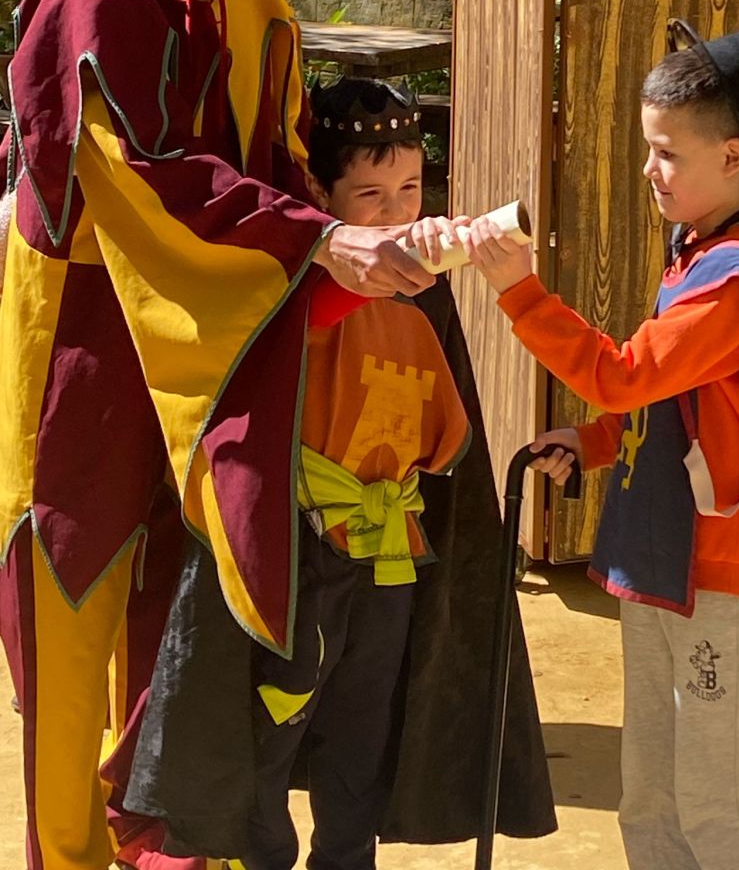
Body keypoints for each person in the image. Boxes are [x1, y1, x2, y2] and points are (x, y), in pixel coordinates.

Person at [0, 0, 439, 870]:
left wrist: (345, 236)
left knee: (193, 591)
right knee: (72, 587)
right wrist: (312, 240)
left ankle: (171, 841)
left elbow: (280, 149)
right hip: (89, 331)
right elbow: (142, 170)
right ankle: (67, 855)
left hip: (225, 320)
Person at [121, 76, 558, 868]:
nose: (396, 213)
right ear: (321, 199)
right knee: (274, 725)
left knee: (363, 731)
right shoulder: (295, 288)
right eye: (371, 195)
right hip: (305, 555)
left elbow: (446, 436)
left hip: (390, 557)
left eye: (410, 191)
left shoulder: (425, 296)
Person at [466, 27, 739, 870]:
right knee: (653, 787)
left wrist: (520, 293)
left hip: (718, 575)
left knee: (720, 791)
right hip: (664, 558)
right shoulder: (695, 254)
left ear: (733, 158)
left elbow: (625, 375)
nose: (648, 169)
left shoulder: (736, 280)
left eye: (666, 153)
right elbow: (672, 403)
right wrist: (593, 442)